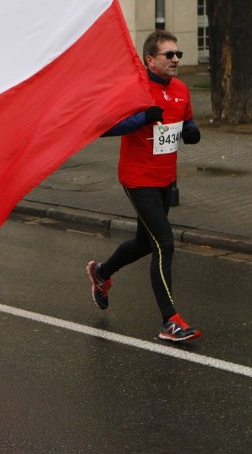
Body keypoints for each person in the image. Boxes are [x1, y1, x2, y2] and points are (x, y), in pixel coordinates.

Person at [86, 29, 202, 342]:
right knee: (163, 243)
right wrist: (142, 117)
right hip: (138, 179)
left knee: (143, 242)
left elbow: (185, 121)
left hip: (165, 177)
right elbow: (104, 127)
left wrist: (192, 132)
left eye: (179, 54)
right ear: (150, 60)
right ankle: (170, 321)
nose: (176, 59)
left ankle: (102, 272)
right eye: (169, 55)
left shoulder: (180, 89)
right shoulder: (135, 89)